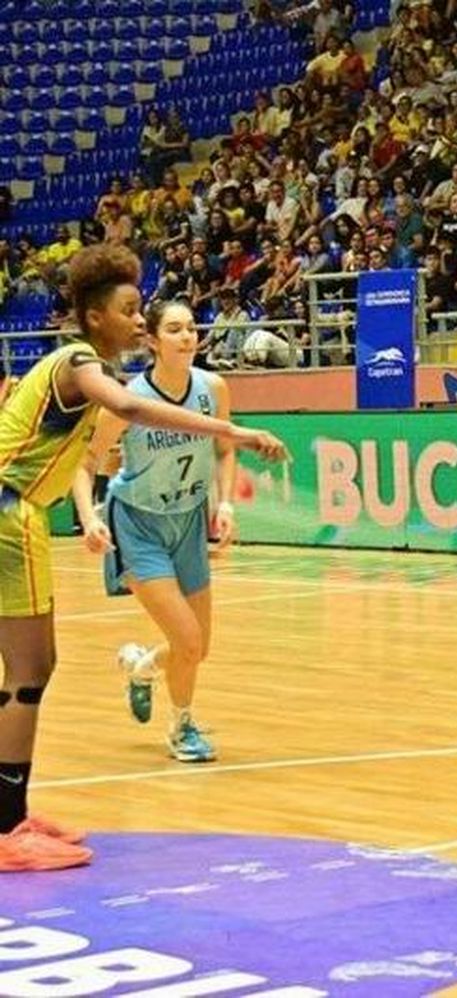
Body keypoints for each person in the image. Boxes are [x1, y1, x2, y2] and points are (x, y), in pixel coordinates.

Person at [0, 246, 285, 872]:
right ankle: (4, 830)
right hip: (9, 511)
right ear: (95, 316)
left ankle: (12, 814)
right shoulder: (80, 363)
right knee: (25, 675)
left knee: (35, 668)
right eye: (130, 310)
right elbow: (127, 411)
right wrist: (228, 432)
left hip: (28, 515)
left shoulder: (80, 367)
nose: (138, 320)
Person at [70, 301, 234, 764]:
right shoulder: (130, 401)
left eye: (192, 328)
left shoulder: (213, 388)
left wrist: (225, 503)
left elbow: (224, 450)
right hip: (138, 523)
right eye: (175, 329)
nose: (187, 337)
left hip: (187, 520)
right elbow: (84, 463)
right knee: (186, 639)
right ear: (153, 341)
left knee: (198, 646)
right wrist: (90, 516)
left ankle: (142, 667)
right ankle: (182, 729)